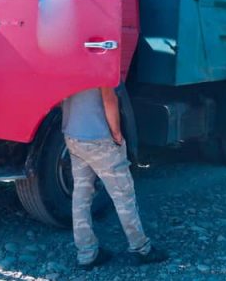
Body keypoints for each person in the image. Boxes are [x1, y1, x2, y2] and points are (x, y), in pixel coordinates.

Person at [62, 86, 168, 269]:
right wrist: (117, 134)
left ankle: (86, 253)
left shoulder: (65, 58)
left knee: (81, 194)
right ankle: (142, 248)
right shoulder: (101, 57)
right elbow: (108, 98)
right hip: (100, 138)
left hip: (72, 134)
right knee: (123, 195)